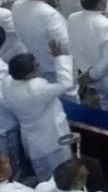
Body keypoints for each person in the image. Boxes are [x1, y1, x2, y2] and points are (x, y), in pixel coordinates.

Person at [2, 46, 75, 179]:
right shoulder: (36, 89)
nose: (39, 67)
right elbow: (66, 84)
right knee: (65, 176)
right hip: (53, 141)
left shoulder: (7, 84)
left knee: (44, 178)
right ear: (28, 74)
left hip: (32, 143)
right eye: (36, 66)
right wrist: (60, 58)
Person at [11, 0, 69, 79]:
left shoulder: (16, 6)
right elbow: (65, 43)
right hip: (56, 66)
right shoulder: (49, 13)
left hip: (37, 63)